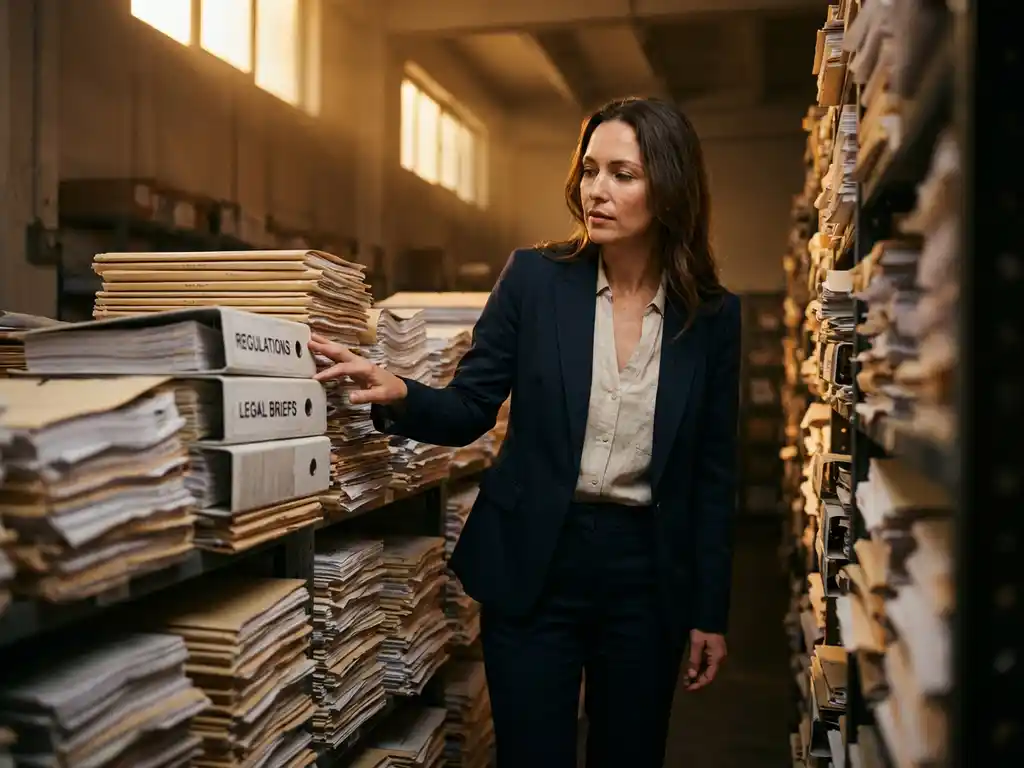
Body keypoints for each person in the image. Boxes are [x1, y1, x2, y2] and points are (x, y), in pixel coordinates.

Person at [310, 96, 740, 768]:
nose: (596, 190)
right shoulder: (536, 281)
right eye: (590, 170)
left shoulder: (711, 319)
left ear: (671, 185)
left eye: (623, 174)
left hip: (646, 577)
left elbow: (714, 473)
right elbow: (470, 407)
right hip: (538, 562)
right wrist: (398, 391)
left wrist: (710, 611)